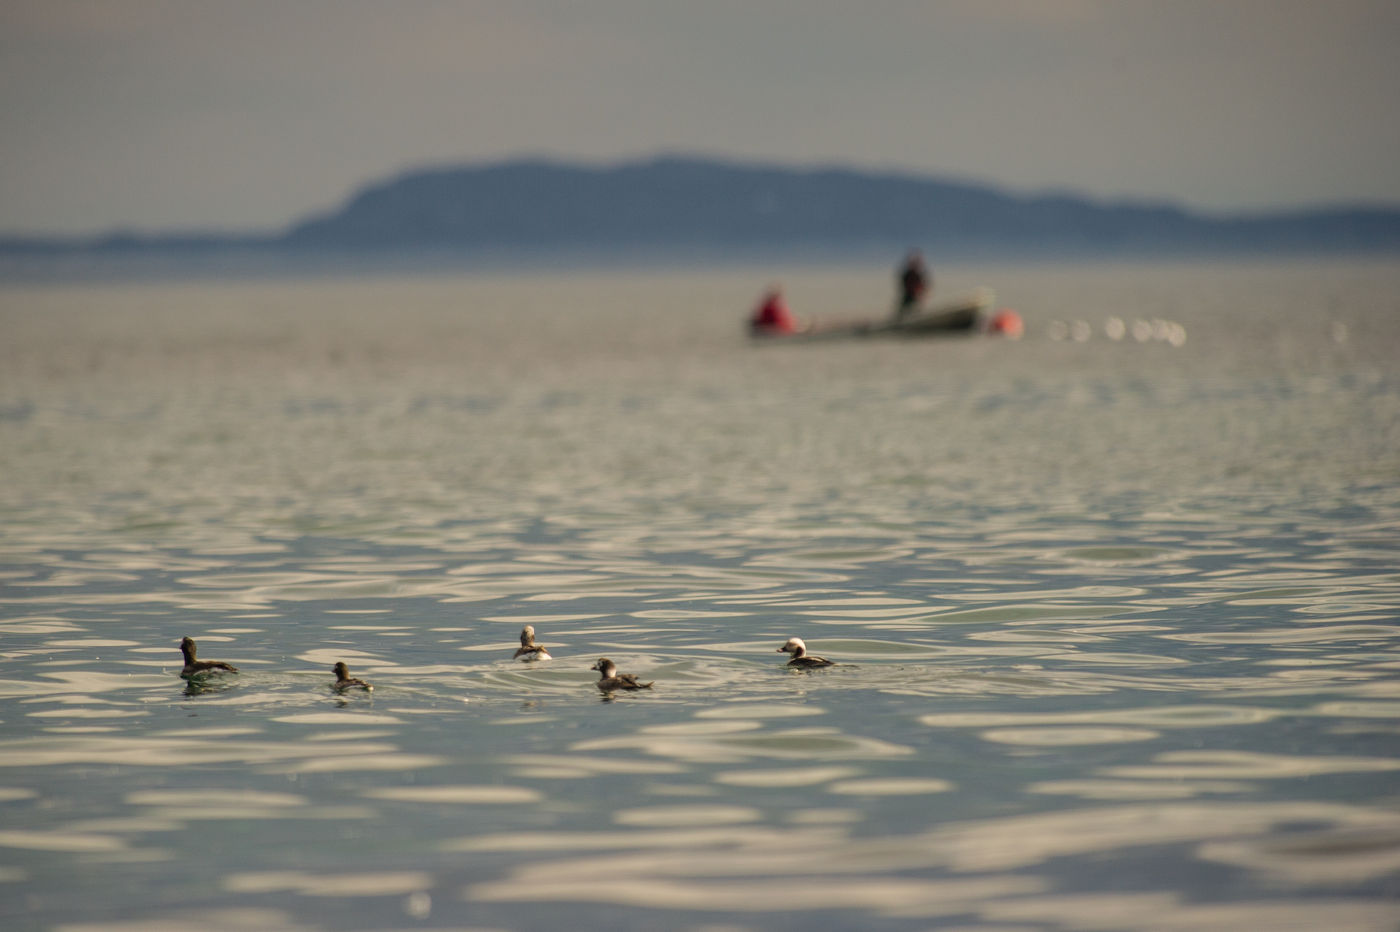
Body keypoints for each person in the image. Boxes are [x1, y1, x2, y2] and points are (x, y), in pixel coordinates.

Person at [895, 250, 930, 319]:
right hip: (909, 295)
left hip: (916, 296)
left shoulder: (918, 275)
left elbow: (923, 285)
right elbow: (904, 284)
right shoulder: (907, 274)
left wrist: (921, 290)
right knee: (904, 310)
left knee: (916, 309)